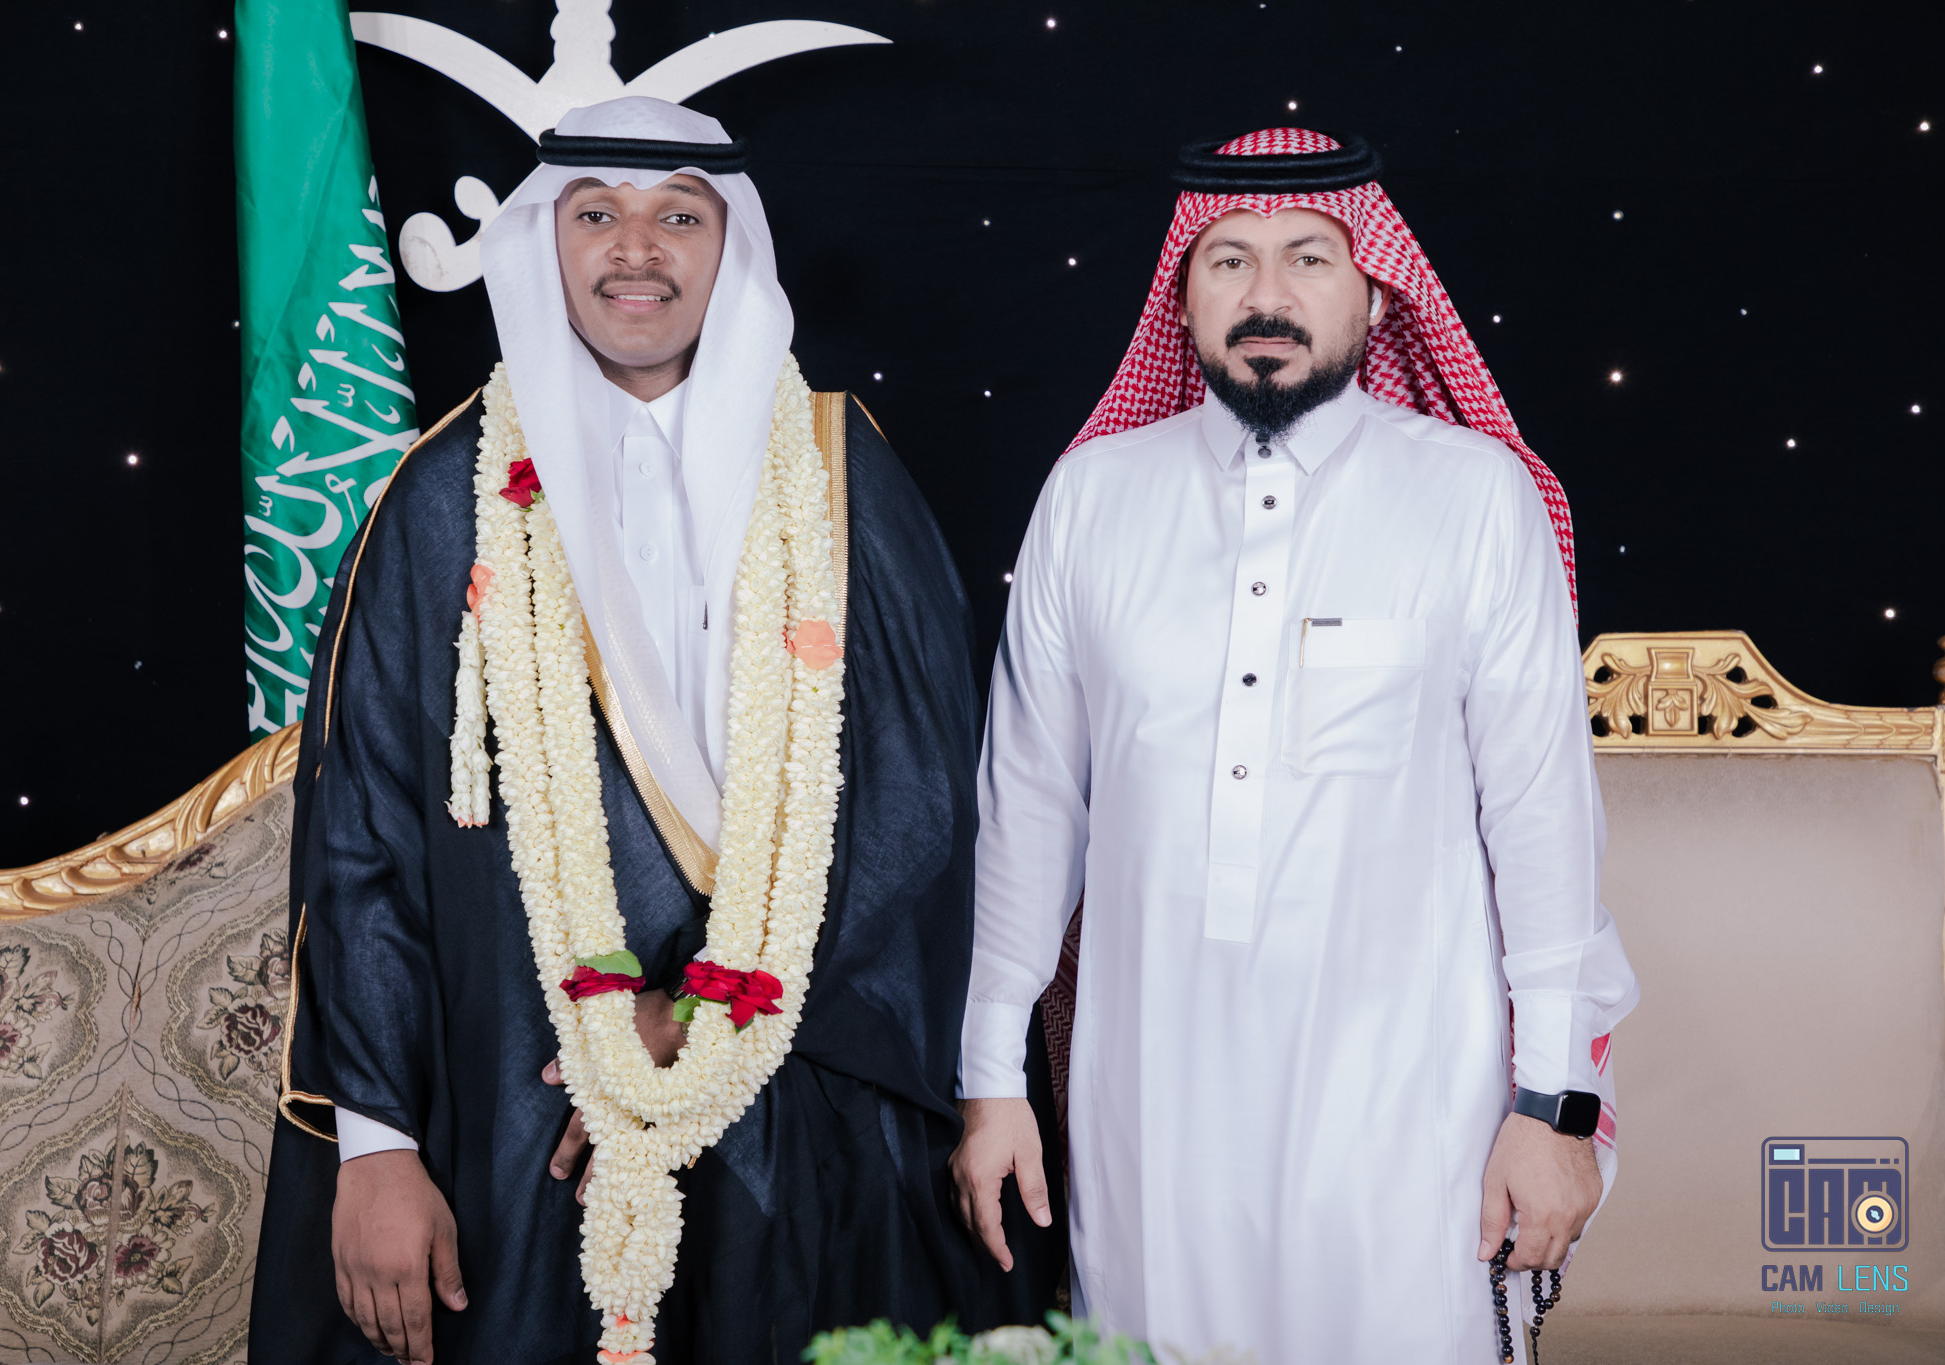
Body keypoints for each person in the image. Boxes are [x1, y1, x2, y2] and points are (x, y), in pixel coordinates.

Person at [250, 96, 1059, 1365]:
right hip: (519, 1109)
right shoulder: (442, 498)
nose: (636, 249)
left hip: (805, 1095)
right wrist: (377, 1148)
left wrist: (702, 1020)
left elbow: (920, 811)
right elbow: (361, 844)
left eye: (679, 216)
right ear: (543, 241)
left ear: (731, 245)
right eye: (596, 215)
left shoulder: (841, 473)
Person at [950, 128, 1641, 1364]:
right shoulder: (1092, 497)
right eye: (1228, 260)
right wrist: (990, 1080)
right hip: (1150, 1094)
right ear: (1181, 296)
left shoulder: (1473, 496)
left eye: (1307, 258)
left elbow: (1540, 821)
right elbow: (1029, 812)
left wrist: (1551, 1107)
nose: (1265, 294)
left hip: (1411, 1101)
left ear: (1373, 293)